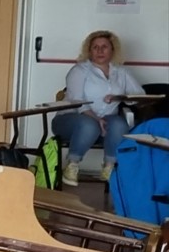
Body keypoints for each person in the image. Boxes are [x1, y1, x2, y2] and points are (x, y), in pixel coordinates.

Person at [55, 30, 145, 186]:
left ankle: (109, 167)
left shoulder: (121, 72)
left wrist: (119, 97)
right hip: (70, 121)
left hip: (104, 124)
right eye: (95, 47)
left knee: (119, 124)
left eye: (104, 47)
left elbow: (139, 96)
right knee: (89, 124)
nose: (100, 51)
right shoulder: (80, 70)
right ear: (89, 51)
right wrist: (97, 120)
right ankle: (72, 165)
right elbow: (78, 103)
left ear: (112, 50)